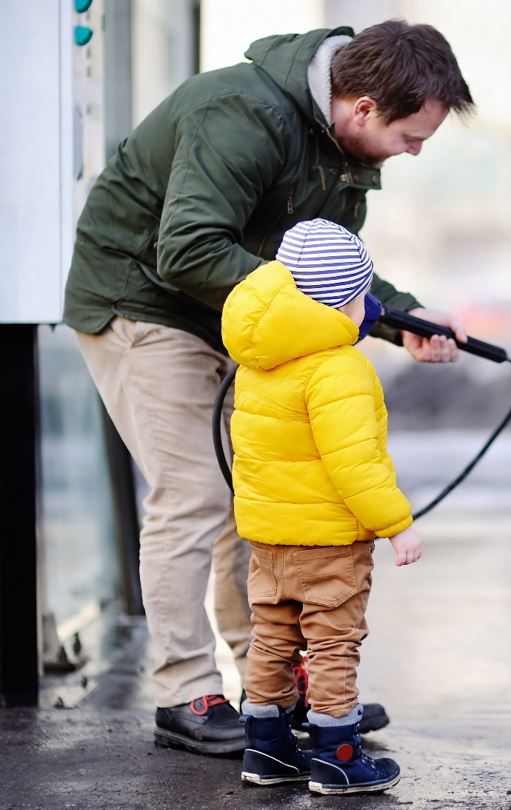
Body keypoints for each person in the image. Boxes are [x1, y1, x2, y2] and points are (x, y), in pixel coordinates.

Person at [64, 20, 473, 755]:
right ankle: (185, 690)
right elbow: (187, 249)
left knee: (258, 492)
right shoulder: (242, 114)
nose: (413, 154)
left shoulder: (340, 148)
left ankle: (270, 686)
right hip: (143, 301)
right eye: (413, 137)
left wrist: (398, 316)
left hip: (238, 317)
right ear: (364, 109)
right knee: (195, 493)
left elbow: (322, 267)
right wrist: (345, 315)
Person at [223, 218, 419, 794]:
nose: (368, 307)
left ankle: (266, 750)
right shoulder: (339, 368)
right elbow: (354, 462)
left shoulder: (261, 359)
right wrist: (396, 524)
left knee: (273, 638)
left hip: (269, 539)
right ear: (340, 305)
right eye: (362, 296)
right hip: (329, 543)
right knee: (334, 644)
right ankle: (336, 754)